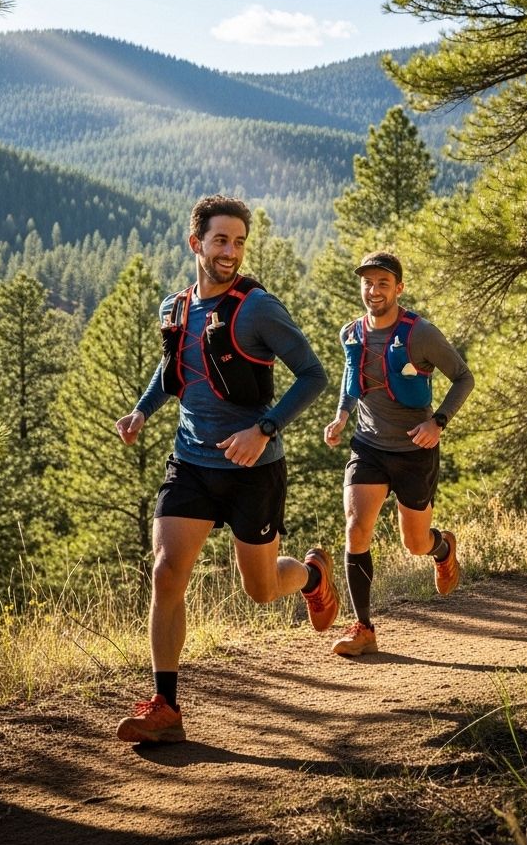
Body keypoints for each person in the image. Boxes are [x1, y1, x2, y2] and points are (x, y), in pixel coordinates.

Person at [114, 195, 338, 743]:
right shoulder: (176, 307)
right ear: (196, 244)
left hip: (252, 468)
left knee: (260, 590)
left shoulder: (257, 308)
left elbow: (313, 375)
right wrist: (142, 410)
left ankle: (311, 575)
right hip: (190, 461)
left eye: (239, 242)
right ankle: (165, 707)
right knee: (167, 571)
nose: (231, 251)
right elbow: (174, 370)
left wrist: (263, 430)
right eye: (220, 240)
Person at [323, 251, 474, 656]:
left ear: (399, 288)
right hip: (369, 446)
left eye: (383, 284)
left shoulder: (420, 333)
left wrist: (437, 422)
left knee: (415, 543)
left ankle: (442, 549)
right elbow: (351, 378)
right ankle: (364, 628)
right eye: (368, 283)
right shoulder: (351, 332)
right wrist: (341, 417)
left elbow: (463, 377)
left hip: (414, 450)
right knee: (356, 528)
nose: (374, 291)